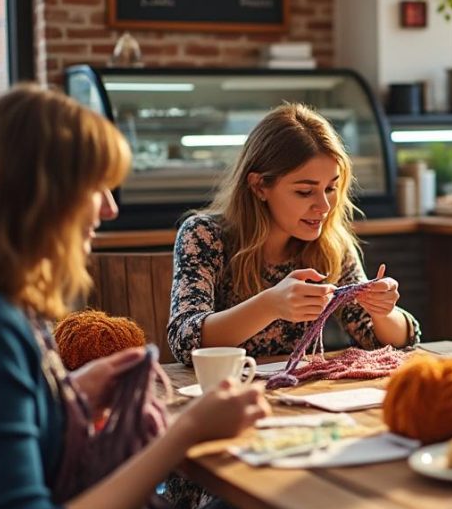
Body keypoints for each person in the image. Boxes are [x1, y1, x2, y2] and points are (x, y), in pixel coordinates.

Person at [0, 85, 290, 509]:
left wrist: (72, 393)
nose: (110, 209)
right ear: (39, 196)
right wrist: (181, 435)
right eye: (95, 187)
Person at [167, 103, 420, 366]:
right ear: (259, 186)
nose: (324, 207)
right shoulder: (204, 236)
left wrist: (384, 313)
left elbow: (387, 341)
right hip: (221, 394)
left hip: (296, 394)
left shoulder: (329, 244)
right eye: (304, 191)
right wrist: (269, 305)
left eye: (331, 188)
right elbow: (185, 340)